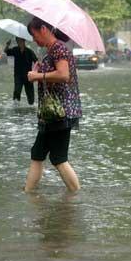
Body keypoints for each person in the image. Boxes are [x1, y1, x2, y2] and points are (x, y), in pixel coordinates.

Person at [24, 16, 82, 193]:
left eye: (34, 35)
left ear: (43, 29)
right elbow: (56, 74)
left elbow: (64, 75)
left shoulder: (58, 49)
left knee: (58, 158)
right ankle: (28, 193)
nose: (34, 39)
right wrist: (40, 70)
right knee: (38, 153)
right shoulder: (52, 50)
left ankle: (76, 196)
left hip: (60, 112)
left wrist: (38, 76)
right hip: (52, 114)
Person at [4, 37, 38, 105]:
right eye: (18, 41)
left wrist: (35, 72)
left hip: (28, 76)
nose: (19, 43)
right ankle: (16, 105)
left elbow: (36, 62)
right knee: (17, 90)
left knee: (30, 93)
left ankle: (31, 105)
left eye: (20, 41)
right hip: (18, 75)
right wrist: (7, 45)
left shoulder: (29, 51)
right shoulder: (15, 49)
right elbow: (6, 51)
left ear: (24, 41)